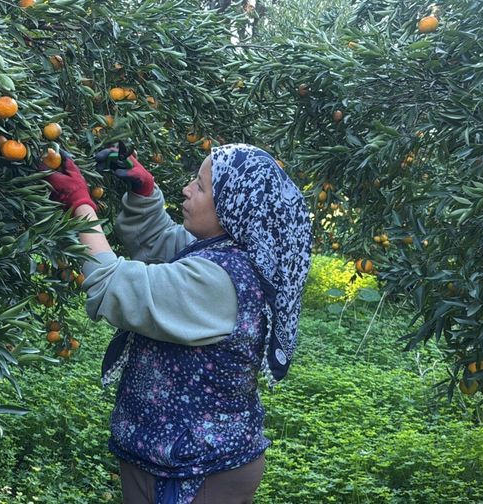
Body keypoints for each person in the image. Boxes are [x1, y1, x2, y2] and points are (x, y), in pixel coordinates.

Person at [39, 143, 312, 504]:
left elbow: (113, 285)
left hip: (192, 472)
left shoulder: (220, 281)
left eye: (199, 186)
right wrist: (145, 192)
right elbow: (160, 243)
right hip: (179, 459)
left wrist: (80, 207)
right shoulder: (228, 250)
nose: (186, 189)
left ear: (233, 207)